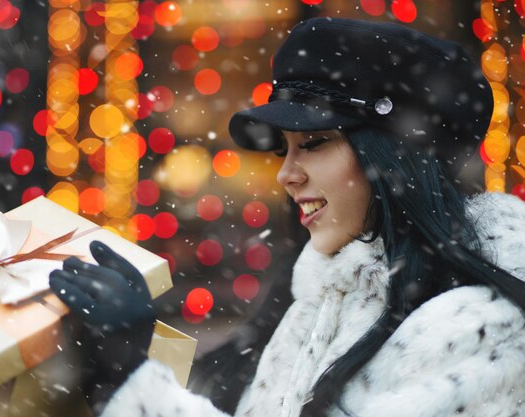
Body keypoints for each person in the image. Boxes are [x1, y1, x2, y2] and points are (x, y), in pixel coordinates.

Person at [49, 17, 525, 417]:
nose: (286, 175)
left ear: (395, 158)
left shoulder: (482, 330)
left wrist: (137, 374)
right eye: (284, 150)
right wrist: (139, 348)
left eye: (314, 144)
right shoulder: (323, 291)